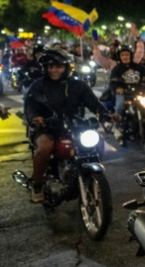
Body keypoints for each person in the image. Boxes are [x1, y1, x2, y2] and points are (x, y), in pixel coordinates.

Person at [24, 48, 118, 202]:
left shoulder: (78, 85)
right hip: (47, 127)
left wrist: (106, 115)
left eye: (58, 66)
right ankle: (37, 184)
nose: (54, 70)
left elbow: (93, 103)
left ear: (66, 67)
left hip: (74, 125)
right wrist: (36, 118)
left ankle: (86, 174)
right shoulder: (38, 85)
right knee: (45, 147)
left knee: (97, 142)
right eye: (50, 66)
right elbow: (30, 106)